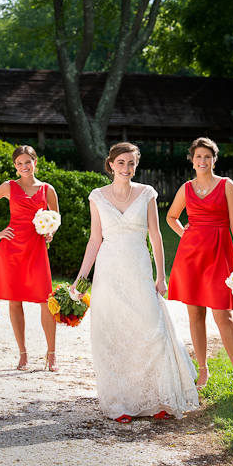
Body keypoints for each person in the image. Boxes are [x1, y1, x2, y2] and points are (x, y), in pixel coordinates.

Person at [73, 142, 199, 423]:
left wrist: (161, 275)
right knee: (115, 335)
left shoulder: (146, 194)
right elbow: (95, 239)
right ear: (111, 164)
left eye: (131, 163)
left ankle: (158, 399)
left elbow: (155, 236)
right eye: (121, 163)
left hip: (139, 268)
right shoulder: (97, 196)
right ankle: (120, 403)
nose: (126, 168)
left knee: (149, 329)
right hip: (109, 272)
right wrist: (81, 280)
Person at [166, 137, 233, 391]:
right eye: (198, 156)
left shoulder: (227, 185)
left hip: (219, 254)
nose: (202, 161)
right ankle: (203, 371)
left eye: (207, 156)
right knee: (195, 313)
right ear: (192, 160)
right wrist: (187, 234)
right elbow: (171, 217)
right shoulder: (186, 188)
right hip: (191, 257)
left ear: (214, 159)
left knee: (222, 314)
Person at [0, 145, 60, 372]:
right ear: (15, 167)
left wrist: (50, 232)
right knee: (15, 301)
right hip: (12, 248)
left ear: (35, 162)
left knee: (46, 300)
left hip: (36, 248)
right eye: (19, 163)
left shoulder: (47, 189)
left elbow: (56, 217)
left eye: (28, 162)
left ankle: (51, 354)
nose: (24, 166)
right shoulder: (9, 187)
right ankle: (23, 355)